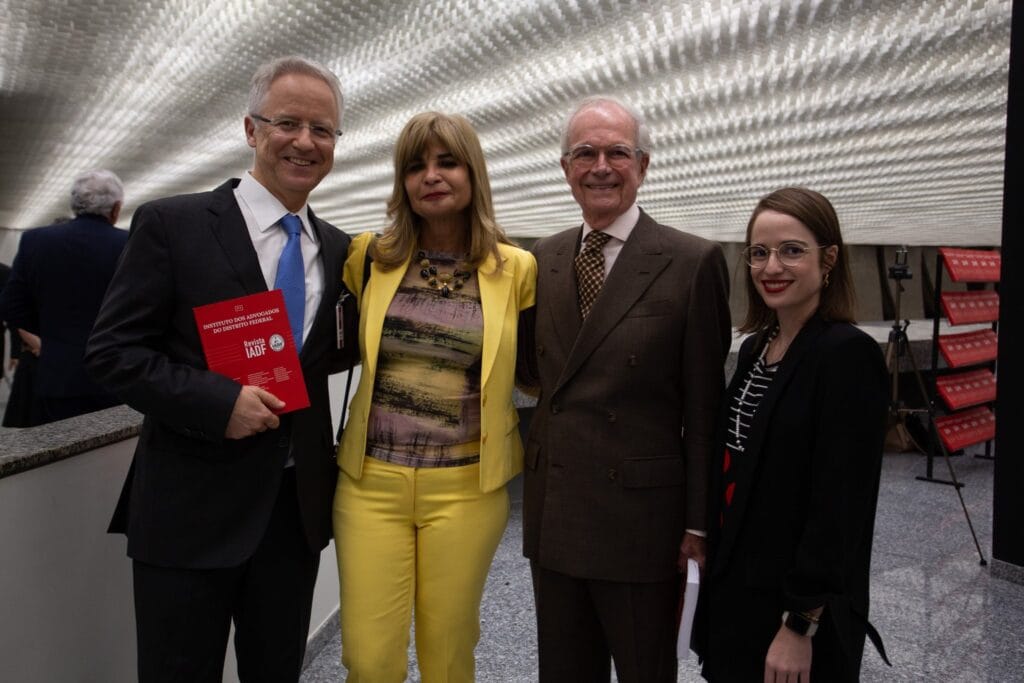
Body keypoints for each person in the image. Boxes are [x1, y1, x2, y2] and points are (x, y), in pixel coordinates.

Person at [84, 56, 354, 683]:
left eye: (323, 130)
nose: (305, 141)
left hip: (292, 516)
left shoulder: (340, 249)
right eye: (288, 122)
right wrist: (216, 403)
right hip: (189, 512)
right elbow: (113, 352)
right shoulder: (173, 225)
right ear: (252, 129)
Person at [517, 96, 732, 682]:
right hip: (556, 511)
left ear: (643, 165)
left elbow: (705, 409)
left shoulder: (691, 262)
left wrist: (698, 524)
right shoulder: (544, 258)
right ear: (566, 168)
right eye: (585, 153)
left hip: (643, 522)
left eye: (617, 152)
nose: (601, 167)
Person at [333, 111, 536, 682]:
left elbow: (536, 369)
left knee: (448, 655)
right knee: (368, 659)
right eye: (415, 166)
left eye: (447, 162)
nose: (431, 176)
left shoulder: (516, 268)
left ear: (473, 173)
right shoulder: (369, 257)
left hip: (467, 488)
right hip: (370, 484)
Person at [696, 187, 889, 681]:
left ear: (829, 259)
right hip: (738, 594)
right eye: (759, 253)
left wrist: (800, 623)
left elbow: (839, 507)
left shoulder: (847, 355)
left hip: (794, 612)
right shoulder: (758, 347)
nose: (771, 267)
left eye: (791, 250)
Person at [0, 170, 128, 424]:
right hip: (117, 372)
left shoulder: (36, 240)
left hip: (57, 373)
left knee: (60, 443)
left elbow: (11, 306)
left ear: (74, 205)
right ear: (116, 209)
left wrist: (51, 330)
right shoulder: (130, 243)